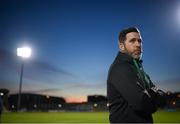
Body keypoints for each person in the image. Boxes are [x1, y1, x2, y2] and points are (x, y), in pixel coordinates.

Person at [107, 27, 166, 123]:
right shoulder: (120, 68)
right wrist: (154, 97)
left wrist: (151, 95)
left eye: (139, 41)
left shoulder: (139, 70)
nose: (138, 44)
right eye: (132, 41)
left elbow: (163, 100)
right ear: (122, 46)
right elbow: (143, 104)